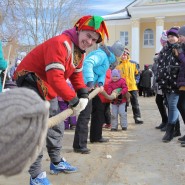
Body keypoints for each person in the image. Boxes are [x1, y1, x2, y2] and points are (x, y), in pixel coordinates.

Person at [14, 15, 109, 185]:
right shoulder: (61, 43)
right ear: (79, 29)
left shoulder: (80, 53)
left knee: (56, 124)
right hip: (30, 82)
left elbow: (76, 76)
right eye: (88, 36)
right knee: (37, 129)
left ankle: (56, 162)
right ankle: (36, 175)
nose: (89, 41)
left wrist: (83, 95)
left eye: (94, 40)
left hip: (47, 86)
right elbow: (56, 77)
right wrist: (74, 100)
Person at [73, 40, 125, 154]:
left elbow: (101, 74)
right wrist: (90, 81)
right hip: (85, 85)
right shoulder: (101, 55)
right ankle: (79, 145)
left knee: (98, 111)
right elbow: (88, 63)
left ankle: (96, 136)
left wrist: (100, 83)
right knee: (85, 114)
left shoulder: (107, 59)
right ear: (116, 52)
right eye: (120, 54)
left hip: (93, 88)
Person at [156, 26, 181, 142]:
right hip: (166, 82)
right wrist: (159, 77)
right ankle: (177, 130)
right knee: (169, 104)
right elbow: (160, 64)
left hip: (176, 82)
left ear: (178, 37)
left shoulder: (180, 48)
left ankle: (169, 131)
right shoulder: (165, 49)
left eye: (173, 36)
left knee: (172, 105)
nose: (171, 38)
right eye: (169, 36)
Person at [116, 48, 144, 124]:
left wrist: (136, 81)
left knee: (135, 103)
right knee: (123, 104)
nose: (123, 56)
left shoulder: (134, 64)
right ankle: (123, 119)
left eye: (125, 54)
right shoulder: (118, 66)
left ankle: (137, 117)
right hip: (123, 88)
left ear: (127, 55)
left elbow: (137, 74)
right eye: (122, 55)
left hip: (132, 87)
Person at [172, 25, 185, 146]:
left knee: (181, 105)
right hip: (182, 81)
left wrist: (180, 54)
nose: (179, 38)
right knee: (180, 105)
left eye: (181, 36)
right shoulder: (183, 46)